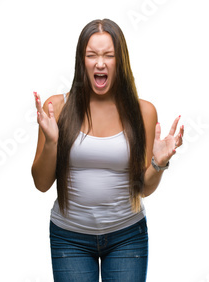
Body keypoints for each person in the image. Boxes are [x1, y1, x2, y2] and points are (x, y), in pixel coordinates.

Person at [30, 18, 183, 281]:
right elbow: (42, 183)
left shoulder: (143, 111)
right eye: (92, 55)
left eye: (108, 56)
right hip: (70, 238)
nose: (100, 63)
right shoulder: (57, 108)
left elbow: (143, 189)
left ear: (119, 61)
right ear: (82, 61)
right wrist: (53, 143)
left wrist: (158, 164)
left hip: (127, 237)